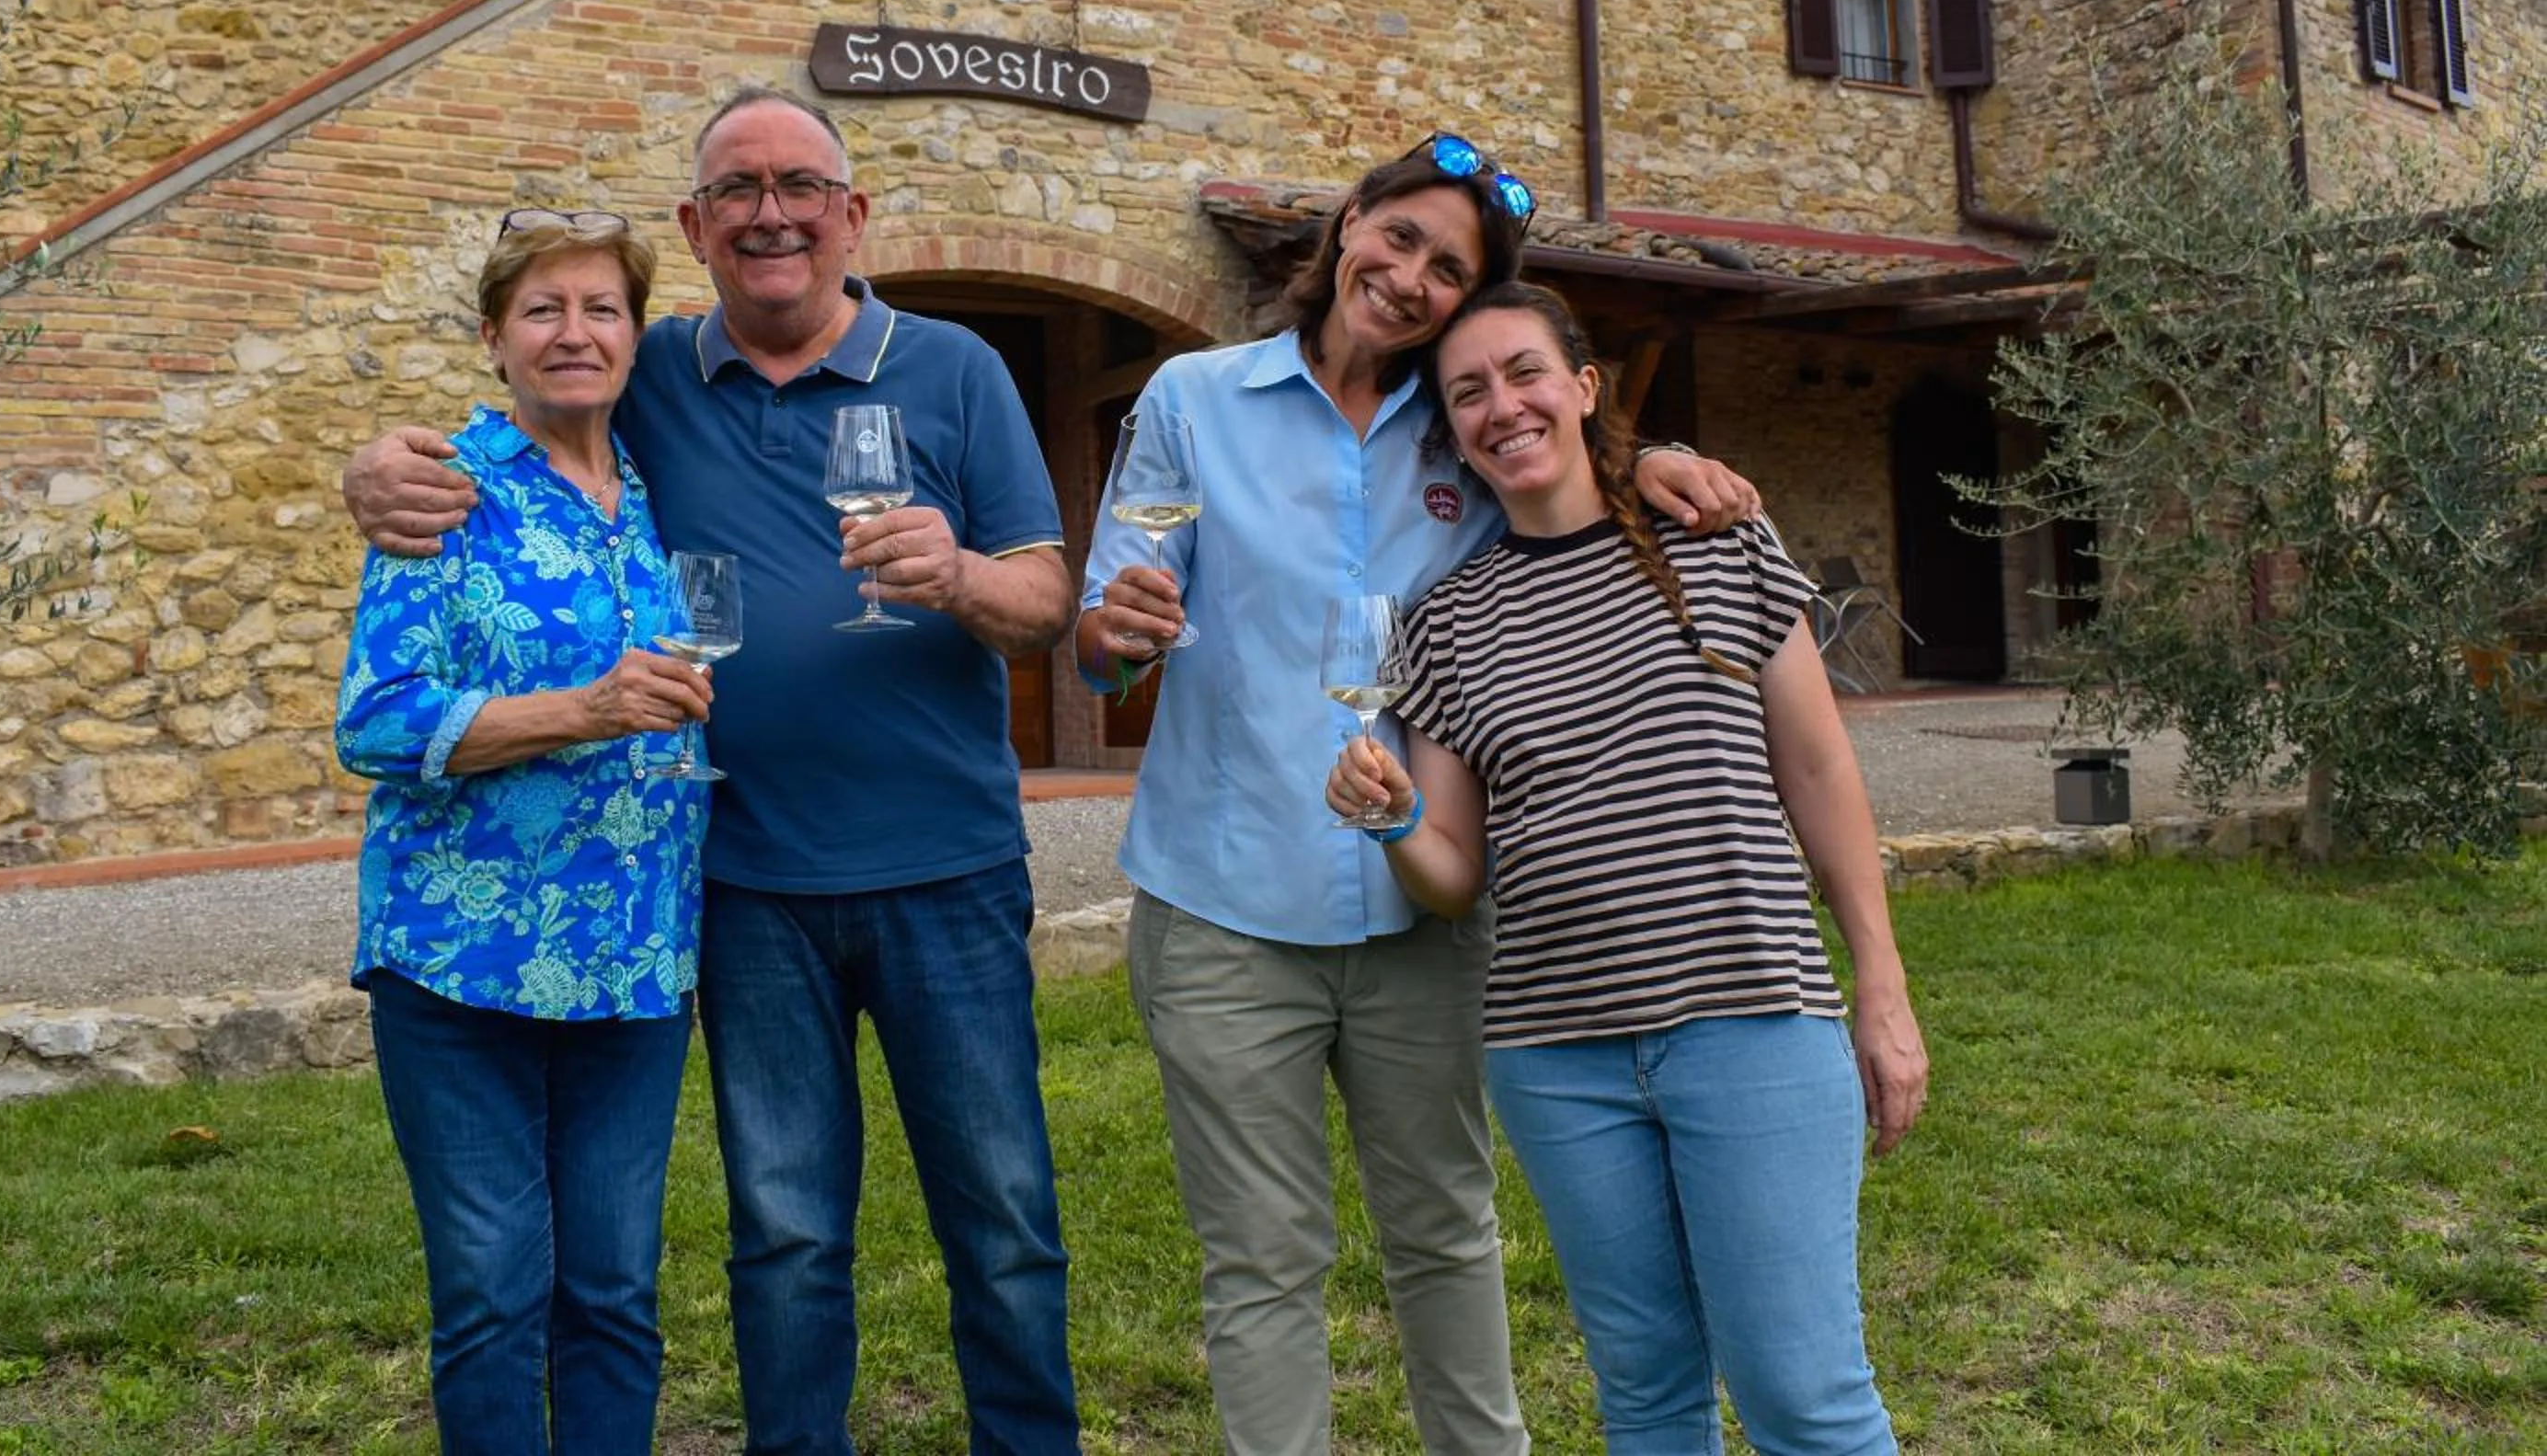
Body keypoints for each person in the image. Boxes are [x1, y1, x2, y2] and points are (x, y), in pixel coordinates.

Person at [342, 89, 1081, 1455]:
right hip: (744, 887)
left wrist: (961, 573)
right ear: (695, 228)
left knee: (1005, 1218)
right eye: (736, 190)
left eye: (801, 183)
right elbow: (504, 429)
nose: (771, 211)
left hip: (951, 872)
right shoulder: (655, 376)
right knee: (787, 1232)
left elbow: (1045, 599)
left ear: (853, 215)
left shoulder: (959, 369)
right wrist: (370, 472)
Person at [1072, 135, 1761, 1455]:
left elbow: (1563, 468)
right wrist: (1120, 635)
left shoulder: (1468, 425)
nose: (1409, 277)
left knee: (1445, 1230)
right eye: (1399, 237)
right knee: (1263, 1260)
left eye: (1450, 271)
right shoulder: (1190, 398)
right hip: (1225, 910)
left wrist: (1647, 462)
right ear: (1348, 224)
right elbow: (1106, 647)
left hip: (1422, 907)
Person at [1325, 279, 1930, 1455]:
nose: (1502, 406)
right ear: (1449, 433)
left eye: (1524, 372)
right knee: (1646, 1396)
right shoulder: (1444, 623)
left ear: (1585, 387)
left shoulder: (1723, 541)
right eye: (1468, 393)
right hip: (1558, 1058)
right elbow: (1455, 872)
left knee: (1803, 1393)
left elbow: (1819, 775)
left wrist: (1883, 987)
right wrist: (1394, 822)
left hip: (1751, 1016)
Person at [335, 208, 715, 1456]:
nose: (575, 332)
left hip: (635, 962)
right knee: (496, 1298)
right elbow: (377, 720)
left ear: (635, 336)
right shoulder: (449, 490)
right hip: (463, 962)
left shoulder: (653, 499)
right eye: (543, 310)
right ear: (495, 338)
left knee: (613, 1297)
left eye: (602, 309)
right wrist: (586, 710)